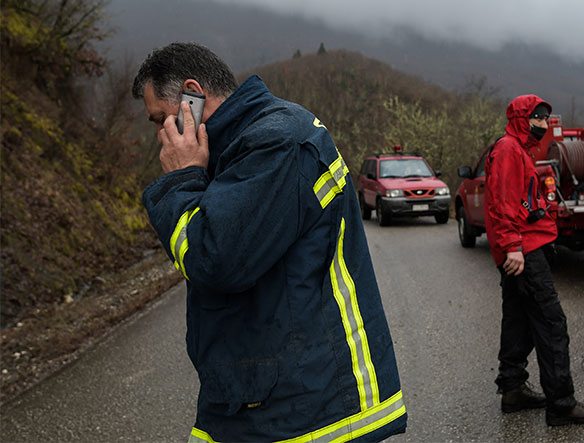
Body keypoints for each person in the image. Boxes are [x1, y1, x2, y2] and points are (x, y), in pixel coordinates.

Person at [132, 42, 407, 442]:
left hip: (307, 409)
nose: (160, 135)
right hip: (254, 397)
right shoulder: (235, 148)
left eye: (160, 118)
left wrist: (182, 178)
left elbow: (214, 258)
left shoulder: (275, 141)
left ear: (192, 95)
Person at [484, 95, 584, 426]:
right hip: (524, 250)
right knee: (551, 324)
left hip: (523, 247)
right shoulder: (508, 149)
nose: (543, 125)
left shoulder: (519, 150)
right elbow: (501, 203)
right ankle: (561, 404)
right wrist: (513, 246)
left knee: (518, 320)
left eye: (546, 119)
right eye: (537, 118)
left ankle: (513, 389)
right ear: (522, 118)